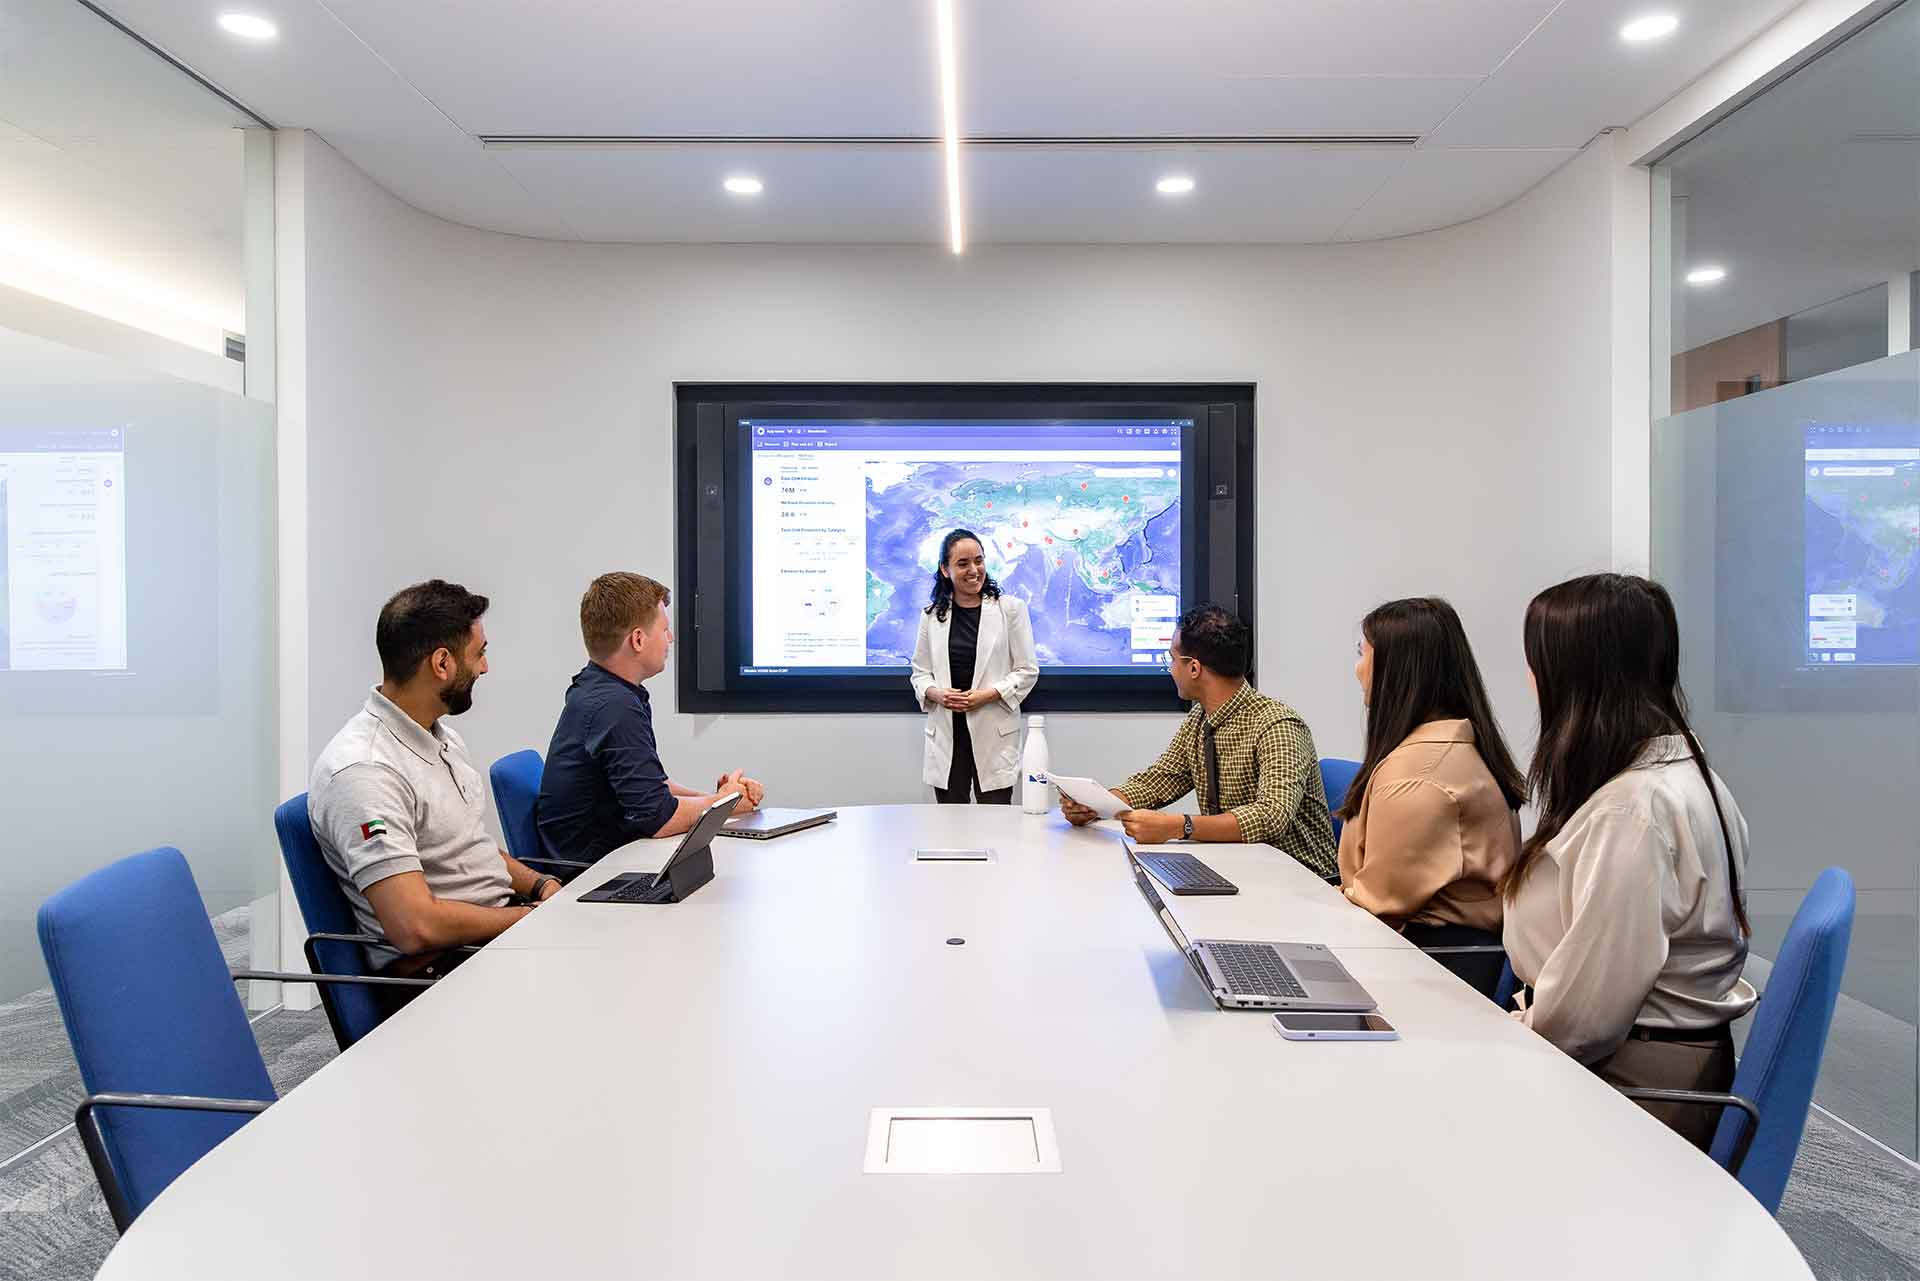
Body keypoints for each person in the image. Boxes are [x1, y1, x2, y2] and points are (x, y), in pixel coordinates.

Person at [1502, 573, 1756, 1151]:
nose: (1531, 678)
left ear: (1578, 678)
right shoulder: (1685, 778)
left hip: (1629, 1088)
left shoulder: (1632, 812)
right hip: (1641, 1066)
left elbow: (1584, 1018)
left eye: (1538, 662)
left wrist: (1498, 1033)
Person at [308, 579, 559, 994]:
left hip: (491, 937)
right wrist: (530, 917)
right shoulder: (366, 771)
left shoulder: (440, 737)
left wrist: (541, 886)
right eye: (479, 654)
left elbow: (463, 847)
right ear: (442, 663)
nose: (484, 667)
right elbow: (414, 926)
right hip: (442, 973)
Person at [1335, 597, 1525, 998]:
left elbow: (1376, 910)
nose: (1357, 671)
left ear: (1397, 670)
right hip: (1427, 962)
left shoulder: (1419, 777)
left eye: (1362, 654)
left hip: (1423, 978)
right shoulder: (1449, 749)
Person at [1062, 604, 1338, 878]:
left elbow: (1271, 816)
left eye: (1171, 659)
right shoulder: (1201, 719)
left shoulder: (1278, 725)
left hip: (1301, 881)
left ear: (1194, 668)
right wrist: (1094, 806)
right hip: (1240, 869)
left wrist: (1178, 827)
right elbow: (1160, 781)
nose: (1170, 669)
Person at [537, 572, 763, 862]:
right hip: (593, 872)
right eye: (665, 629)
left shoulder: (603, 689)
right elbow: (658, 819)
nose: (671, 638)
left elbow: (649, 789)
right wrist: (725, 803)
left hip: (609, 854)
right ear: (639, 640)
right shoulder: (614, 706)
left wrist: (718, 798)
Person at [909, 529, 1039, 804]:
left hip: (993, 733)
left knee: (996, 825)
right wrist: (937, 693)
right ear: (945, 570)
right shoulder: (931, 616)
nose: (974, 570)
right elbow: (920, 674)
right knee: (949, 827)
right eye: (963, 563)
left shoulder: (1011, 609)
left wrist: (988, 694)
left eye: (978, 561)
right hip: (947, 735)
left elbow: (1027, 670)